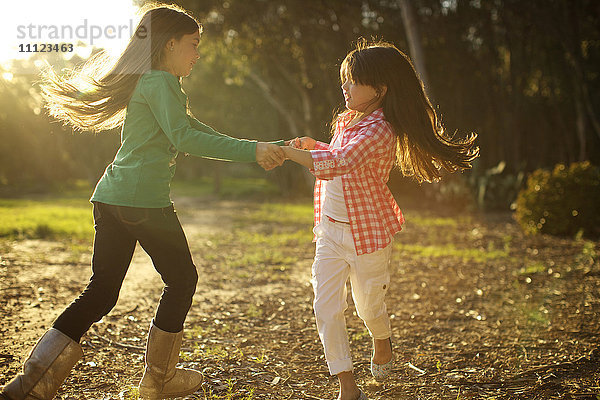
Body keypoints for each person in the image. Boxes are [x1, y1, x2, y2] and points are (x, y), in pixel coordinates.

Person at [1, 4, 285, 400]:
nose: (197, 54)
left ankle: (30, 385)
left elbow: (190, 129)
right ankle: (159, 380)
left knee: (101, 292)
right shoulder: (161, 81)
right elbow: (185, 138)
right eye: (193, 45)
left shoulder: (151, 81)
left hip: (111, 197)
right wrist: (254, 151)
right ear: (170, 44)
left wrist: (257, 147)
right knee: (182, 280)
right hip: (143, 204)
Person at [282, 40, 479, 400]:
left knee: (368, 306)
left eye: (353, 81)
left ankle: (382, 337)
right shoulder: (348, 122)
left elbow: (339, 164)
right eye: (345, 80)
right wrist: (315, 145)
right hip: (329, 231)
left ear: (380, 89)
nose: (345, 88)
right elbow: (339, 157)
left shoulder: (379, 130)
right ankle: (347, 384)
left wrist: (289, 153)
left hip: (366, 234)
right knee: (325, 308)